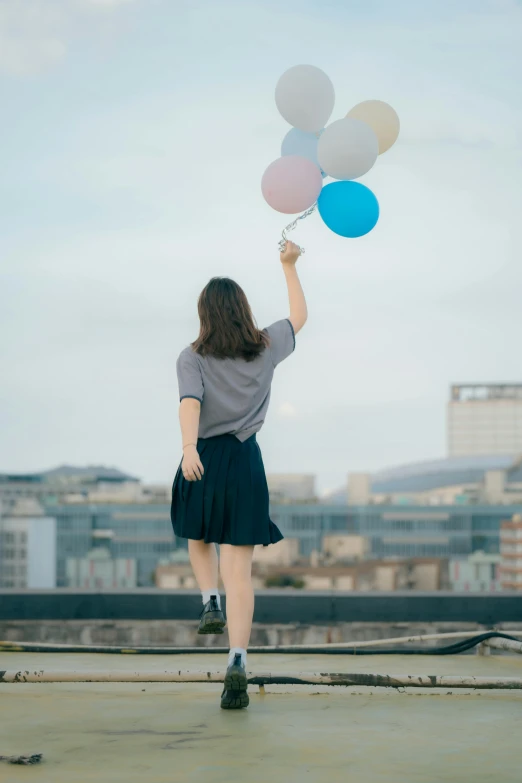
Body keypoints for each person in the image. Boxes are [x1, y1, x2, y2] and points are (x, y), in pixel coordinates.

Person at [170, 240, 307, 710]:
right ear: (242, 310)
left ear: (204, 313)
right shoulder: (265, 348)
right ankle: (238, 659)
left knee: (196, 533)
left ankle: (209, 600)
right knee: (241, 573)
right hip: (246, 461)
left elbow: (190, 403)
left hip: (205, 455)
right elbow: (299, 317)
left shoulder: (192, 356)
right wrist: (288, 266)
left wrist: (189, 448)